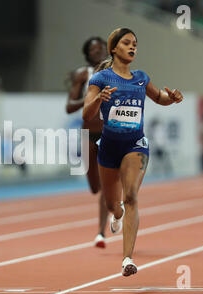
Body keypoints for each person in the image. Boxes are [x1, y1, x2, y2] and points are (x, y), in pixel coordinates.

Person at [83, 28, 183, 276]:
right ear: (114, 48)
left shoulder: (141, 77)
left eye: (135, 44)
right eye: (126, 43)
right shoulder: (101, 79)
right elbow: (86, 114)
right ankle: (116, 214)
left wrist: (172, 98)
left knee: (132, 198)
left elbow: (159, 97)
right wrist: (99, 99)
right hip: (107, 148)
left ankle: (127, 259)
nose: (132, 47)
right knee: (113, 205)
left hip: (135, 145)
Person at [66, 36, 123, 249]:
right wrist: (92, 98)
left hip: (109, 133)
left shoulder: (115, 72)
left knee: (105, 181)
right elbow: (69, 107)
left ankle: (100, 233)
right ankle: (112, 202)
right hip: (87, 134)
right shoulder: (82, 75)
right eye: (93, 50)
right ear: (87, 53)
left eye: (101, 49)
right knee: (94, 187)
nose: (98, 53)